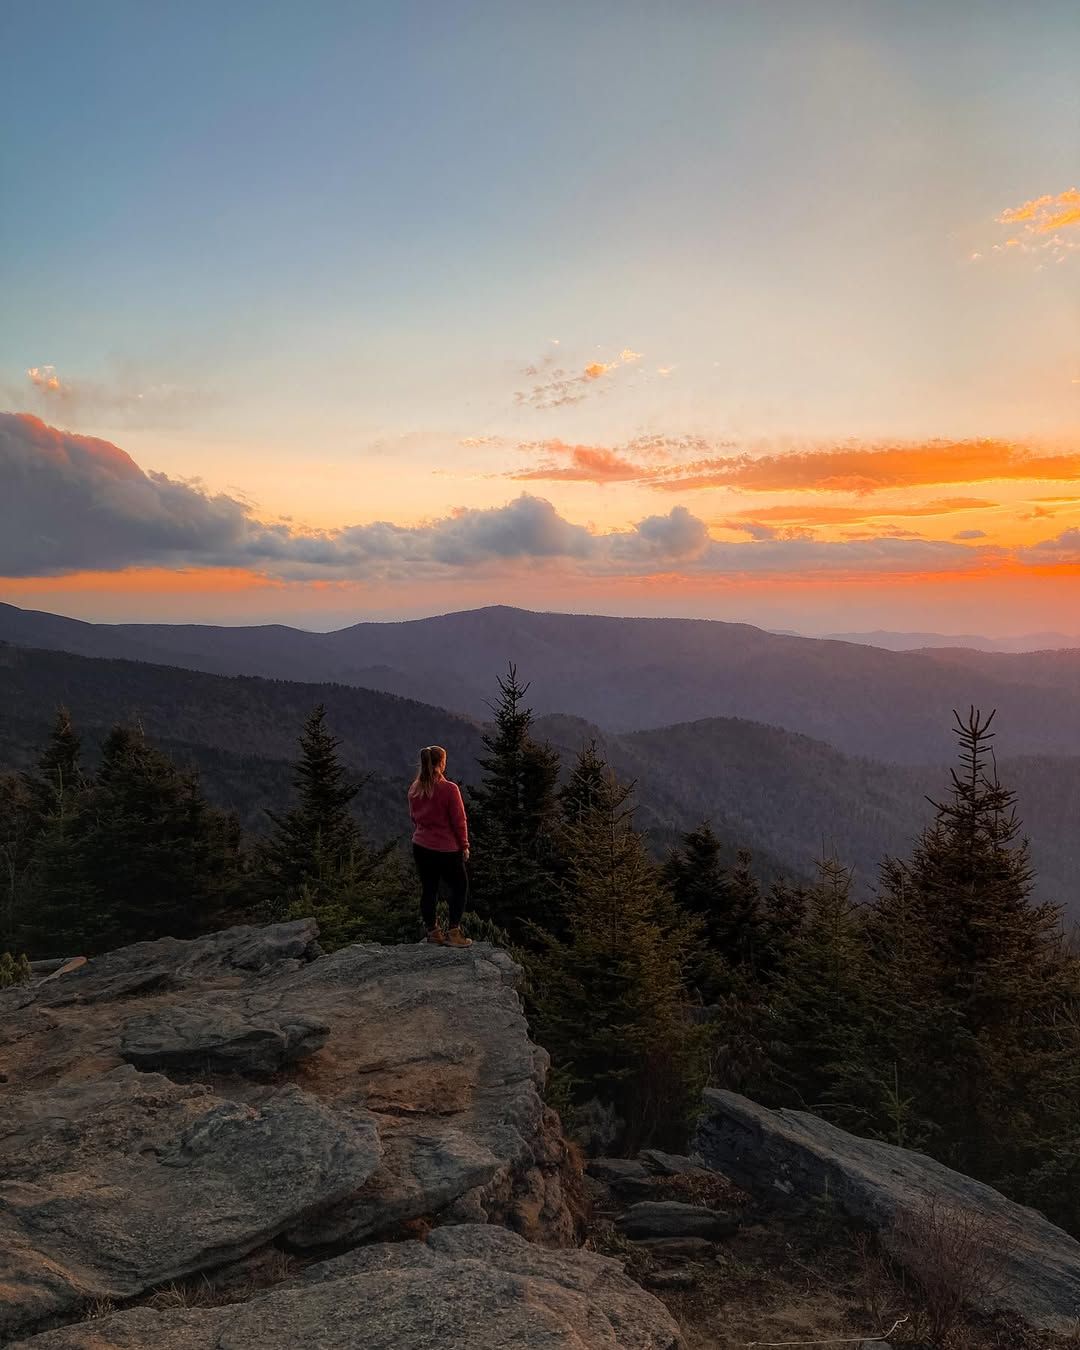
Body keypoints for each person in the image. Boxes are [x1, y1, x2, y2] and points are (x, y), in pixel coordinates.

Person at [408, 745, 472, 947]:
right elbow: (459, 821)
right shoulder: (449, 789)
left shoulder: (415, 788)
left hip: (421, 845)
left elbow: (414, 818)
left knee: (429, 889)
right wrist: (464, 846)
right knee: (460, 887)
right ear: (441, 763)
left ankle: (433, 931)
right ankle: (454, 932)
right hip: (446, 849)